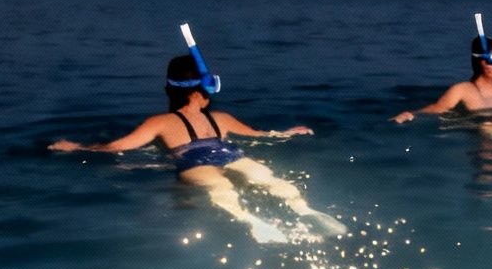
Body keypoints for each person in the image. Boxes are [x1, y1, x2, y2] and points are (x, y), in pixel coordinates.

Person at [51, 55, 346, 243]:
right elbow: (261, 136)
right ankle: (305, 210)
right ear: (202, 92)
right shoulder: (221, 118)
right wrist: (287, 133)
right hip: (230, 154)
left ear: (169, 90)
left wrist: (77, 147)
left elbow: (115, 148)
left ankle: (252, 221)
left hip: (194, 162)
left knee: (220, 189)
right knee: (266, 178)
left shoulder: (161, 122)